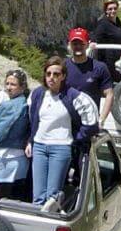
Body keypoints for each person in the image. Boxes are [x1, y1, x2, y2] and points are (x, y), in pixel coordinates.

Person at [27, 56, 99, 206]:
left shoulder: (73, 96)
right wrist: (30, 141)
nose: (51, 78)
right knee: (37, 196)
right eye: (48, 74)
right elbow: (33, 120)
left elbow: (91, 124)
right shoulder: (37, 94)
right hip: (39, 146)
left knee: (52, 196)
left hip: (60, 148)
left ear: (63, 76)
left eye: (56, 74)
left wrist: (76, 138)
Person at [0, 69, 30, 199]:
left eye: (13, 84)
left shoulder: (13, 106)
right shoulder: (21, 104)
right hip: (17, 160)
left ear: (22, 87)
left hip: (4, 159)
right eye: (7, 83)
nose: (9, 87)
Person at [65, 27, 113, 126]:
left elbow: (109, 94)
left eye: (81, 43)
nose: (78, 46)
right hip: (66, 121)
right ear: (69, 45)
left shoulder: (99, 67)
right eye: (74, 44)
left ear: (88, 44)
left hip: (89, 122)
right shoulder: (63, 67)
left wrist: (101, 120)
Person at [92, 0, 121, 83]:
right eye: (110, 9)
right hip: (108, 62)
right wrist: (93, 42)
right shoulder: (103, 23)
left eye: (115, 8)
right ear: (106, 11)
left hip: (118, 60)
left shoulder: (117, 21)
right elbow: (96, 35)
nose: (113, 11)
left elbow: (119, 36)